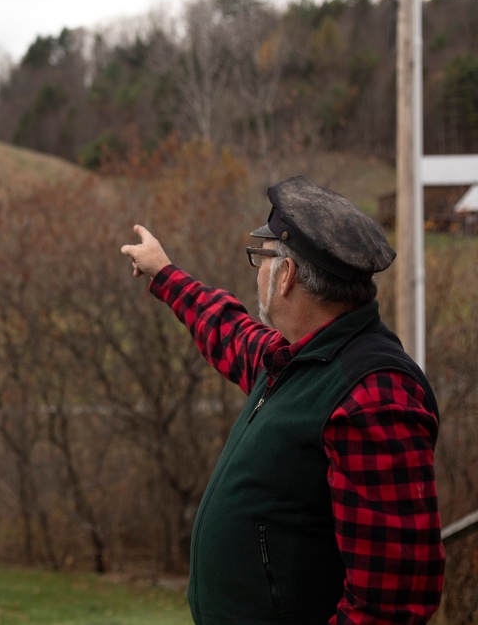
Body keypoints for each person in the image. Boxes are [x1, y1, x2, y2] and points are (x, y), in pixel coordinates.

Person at [120, 175, 444, 625]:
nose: (259, 270)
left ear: (287, 275)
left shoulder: (374, 395)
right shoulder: (298, 358)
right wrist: (165, 273)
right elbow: (229, 332)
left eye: (263, 258)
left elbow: (389, 604)